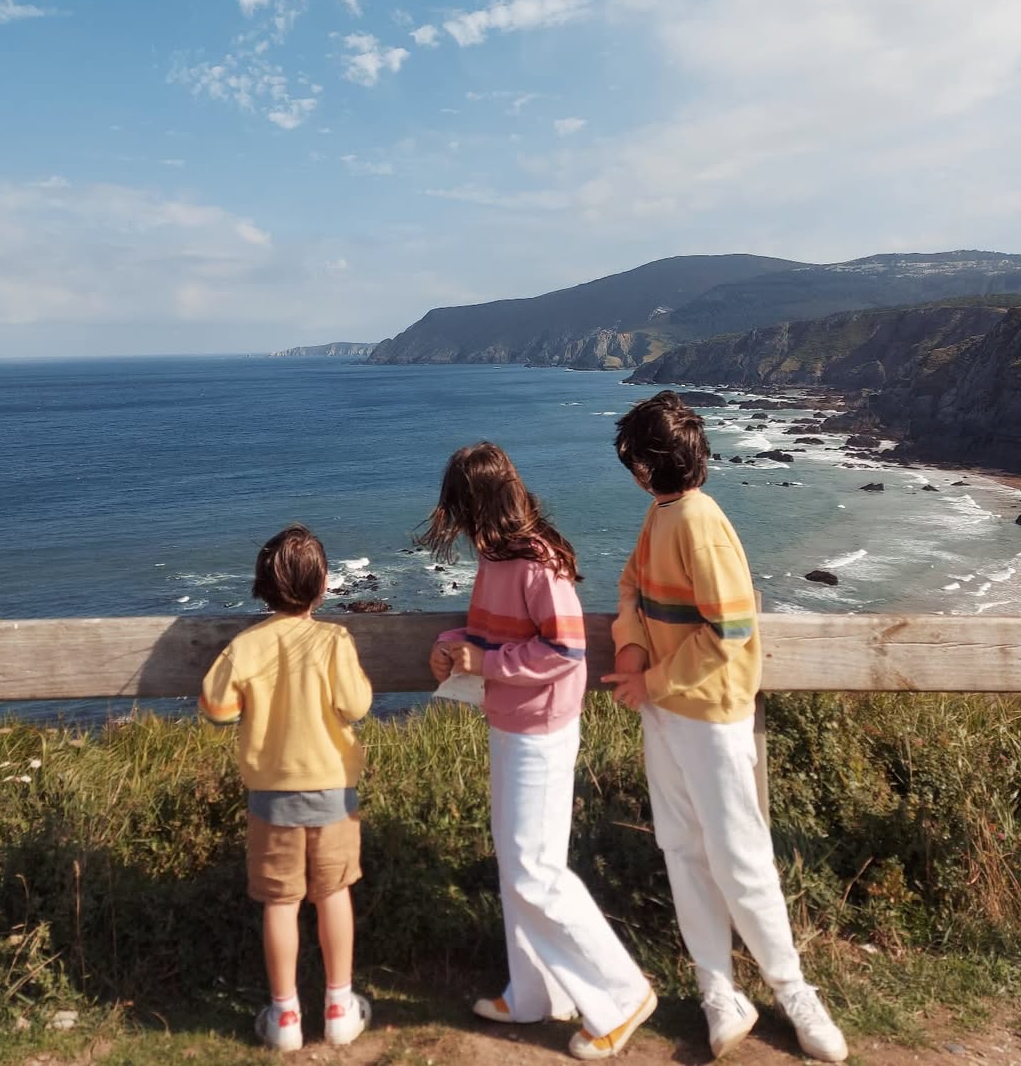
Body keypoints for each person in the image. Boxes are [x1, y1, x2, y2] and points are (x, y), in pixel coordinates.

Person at [601, 392, 848, 1062]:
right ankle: (719, 990)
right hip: (668, 711)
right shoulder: (664, 515)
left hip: (709, 716)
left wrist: (647, 678)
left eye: (633, 460)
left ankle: (793, 990)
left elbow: (732, 630)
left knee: (738, 857)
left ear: (650, 465)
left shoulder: (698, 523)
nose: (631, 473)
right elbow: (629, 589)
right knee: (682, 846)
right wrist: (631, 652)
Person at [423, 442, 657, 1062]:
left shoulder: (536, 562)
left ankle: (622, 992)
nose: (459, 524)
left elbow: (567, 650)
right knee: (518, 862)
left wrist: (487, 661)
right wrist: (453, 645)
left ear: (480, 505)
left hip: (542, 730)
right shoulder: (498, 557)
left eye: (461, 510)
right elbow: (492, 634)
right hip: (512, 721)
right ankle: (531, 992)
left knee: (534, 868)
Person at [200, 524, 373, 1053]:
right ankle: (339, 1007)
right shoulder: (333, 641)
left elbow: (217, 709)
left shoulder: (246, 646)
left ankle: (285, 1016)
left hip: (271, 795)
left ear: (262, 587)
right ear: (323, 587)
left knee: (280, 902)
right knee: (333, 894)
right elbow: (356, 706)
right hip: (332, 793)